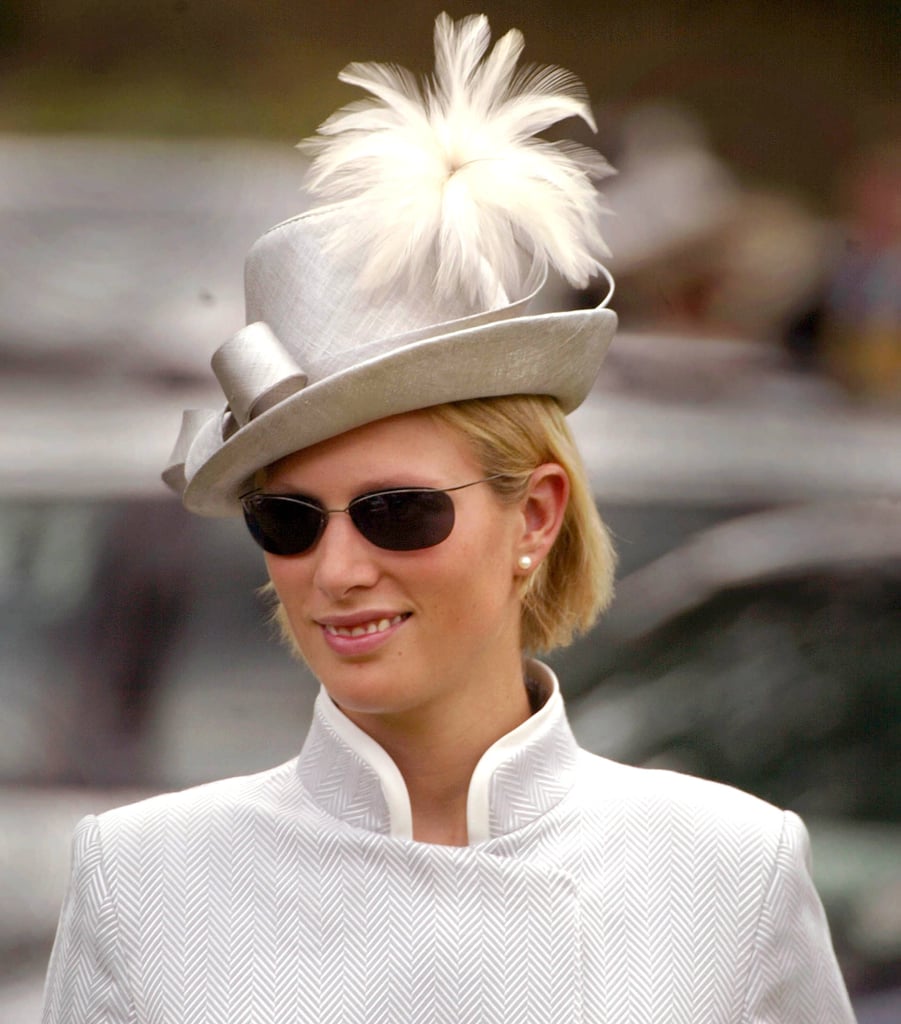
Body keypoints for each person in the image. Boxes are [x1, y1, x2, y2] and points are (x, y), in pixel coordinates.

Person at [42, 13, 855, 1023]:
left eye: (398, 512)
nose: (335, 568)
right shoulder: (142, 880)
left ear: (536, 515)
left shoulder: (730, 873)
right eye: (287, 520)